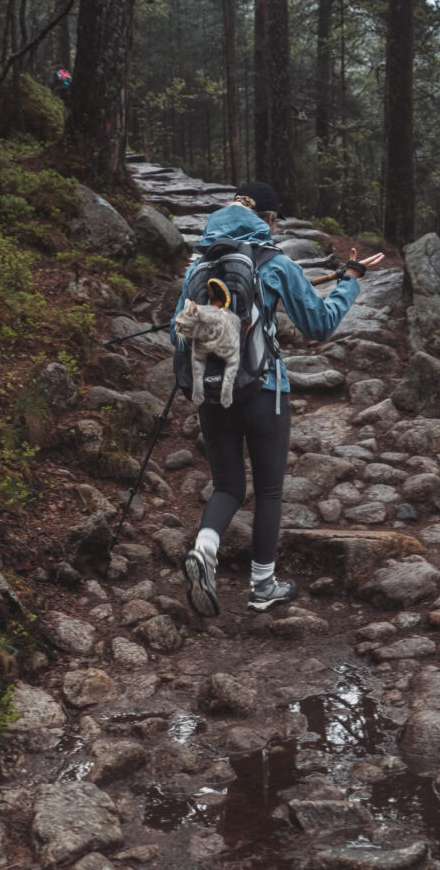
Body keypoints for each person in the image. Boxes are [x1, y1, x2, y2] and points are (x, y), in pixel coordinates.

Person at [171, 181, 384, 617]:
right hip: (264, 390)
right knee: (268, 491)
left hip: (212, 394)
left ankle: (205, 547)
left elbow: (179, 333)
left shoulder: (198, 266)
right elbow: (320, 324)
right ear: (267, 219)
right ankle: (263, 586)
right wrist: (350, 283)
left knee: (228, 486)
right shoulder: (276, 262)